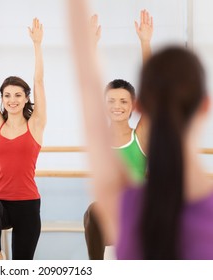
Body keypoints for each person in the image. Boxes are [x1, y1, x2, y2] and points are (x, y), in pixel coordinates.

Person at [69, 0, 213, 259]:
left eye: (124, 101)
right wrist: (145, 43)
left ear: (139, 105)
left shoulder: (127, 206)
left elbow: (88, 93)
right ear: (206, 106)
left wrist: (87, 43)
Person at [83, 10, 153, 260]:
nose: (117, 106)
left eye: (124, 101)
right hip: (111, 221)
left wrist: (145, 42)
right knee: (92, 212)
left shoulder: (140, 136)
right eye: (111, 101)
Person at [0, 18, 46, 260]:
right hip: (1, 204)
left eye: (18, 95)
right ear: (3, 99)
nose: (12, 100)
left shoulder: (35, 125)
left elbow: (38, 81)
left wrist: (37, 45)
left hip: (28, 204)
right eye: (7, 95)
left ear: (26, 98)